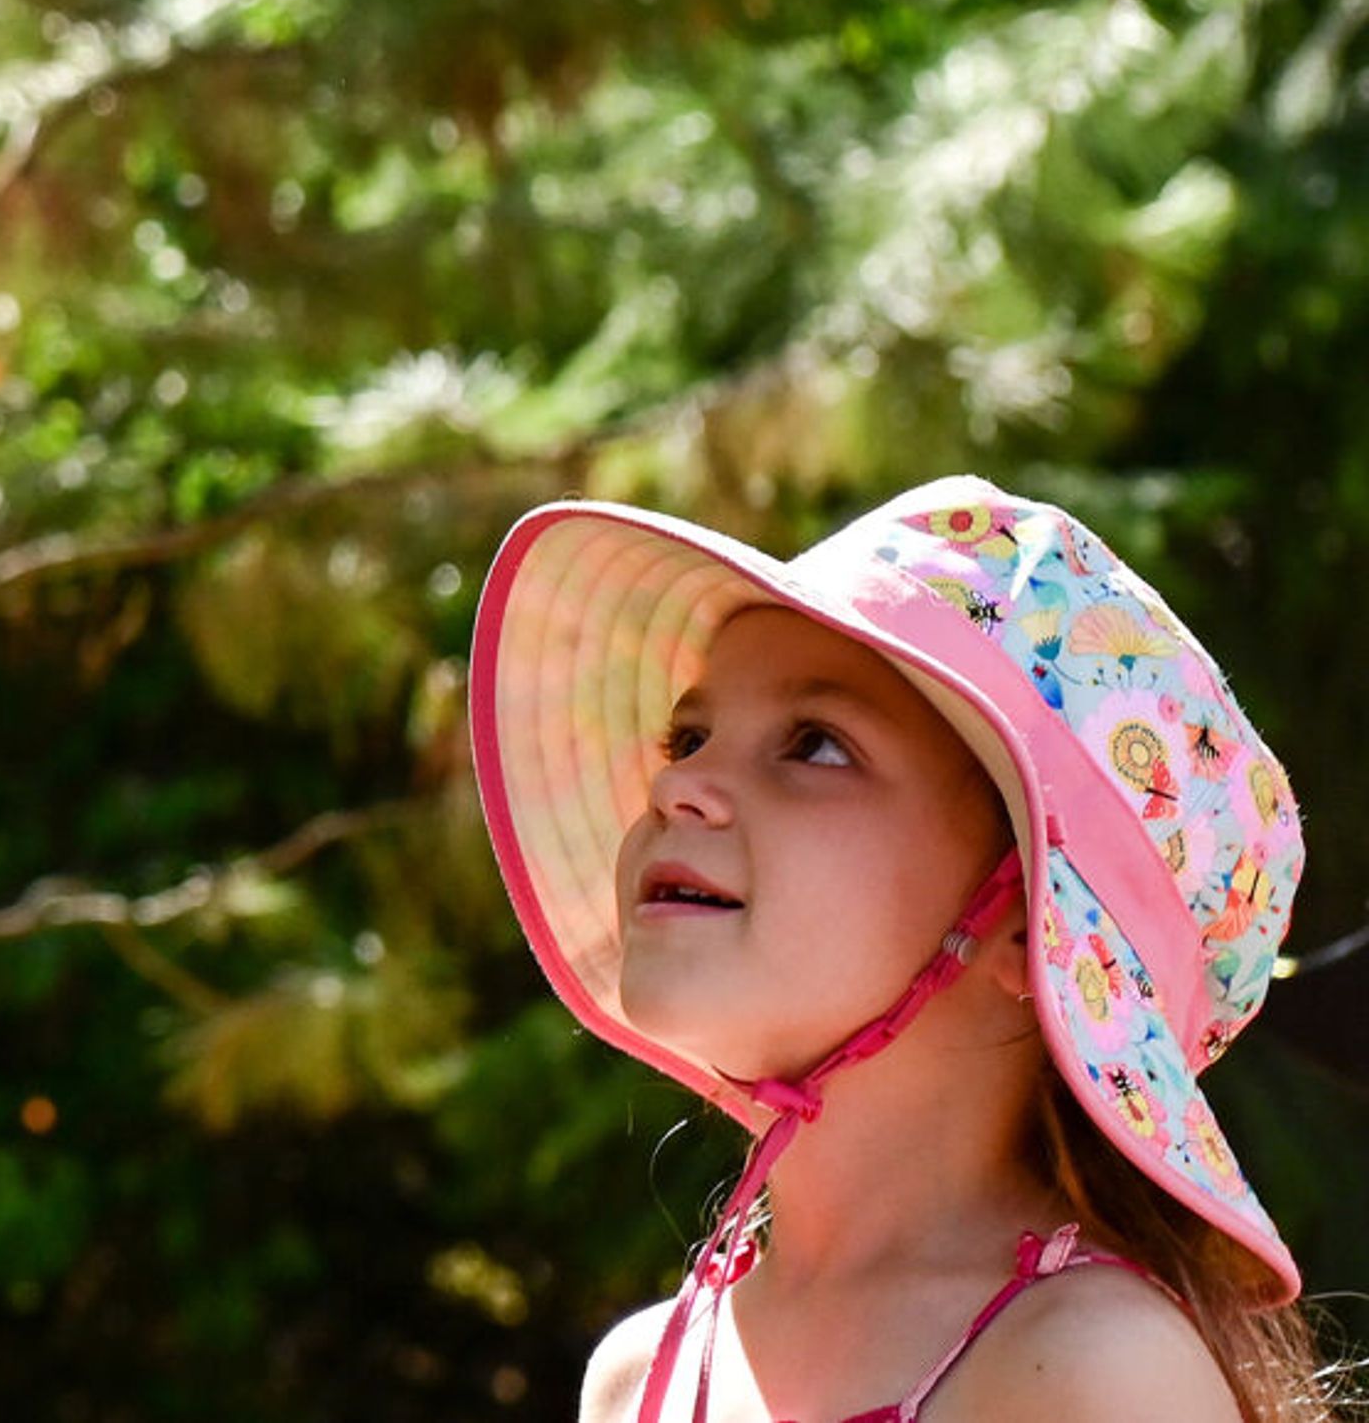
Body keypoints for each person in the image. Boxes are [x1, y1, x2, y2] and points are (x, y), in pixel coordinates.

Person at [470, 477, 1325, 1423]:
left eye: (817, 746)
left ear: (1022, 920)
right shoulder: (645, 1375)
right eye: (689, 737)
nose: (684, 787)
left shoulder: (1090, 1373)